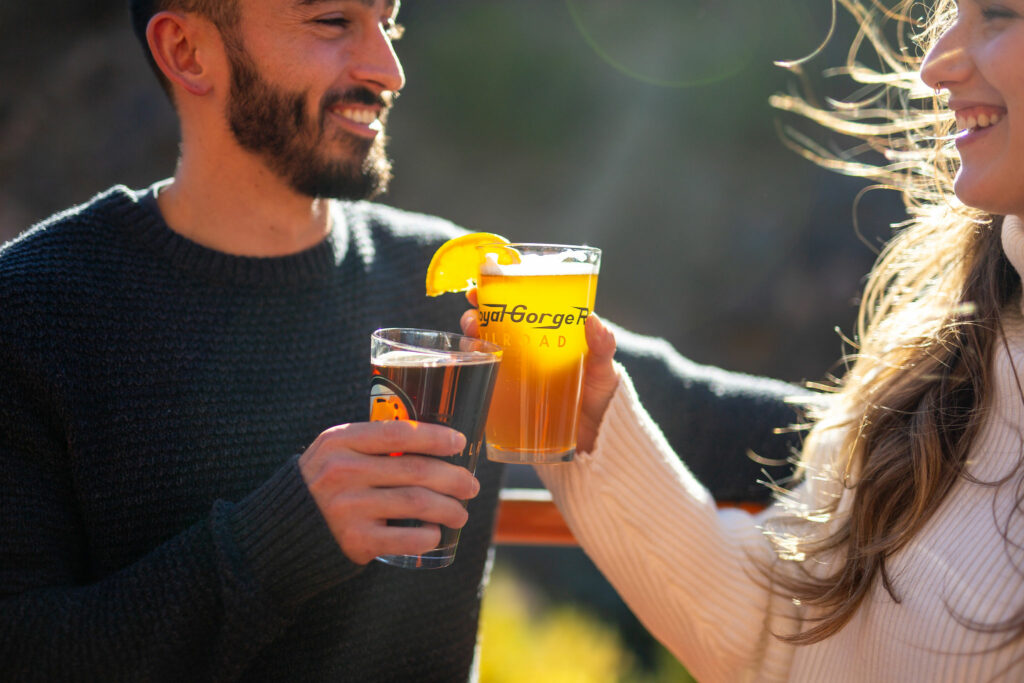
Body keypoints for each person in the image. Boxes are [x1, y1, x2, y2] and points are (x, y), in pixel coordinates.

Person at [0, 0, 806, 680]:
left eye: (390, 23)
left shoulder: (457, 285)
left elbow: (709, 417)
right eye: (332, 22)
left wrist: (928, 418)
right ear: (187, 49)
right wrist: (283, 538)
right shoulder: (33, 309)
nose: (388, 68)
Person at [495, 0, 1024, 680]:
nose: (934, 64)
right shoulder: (944, 348)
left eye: (999, 16)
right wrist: (596, 419)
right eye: (950, 14)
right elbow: (780, 633)